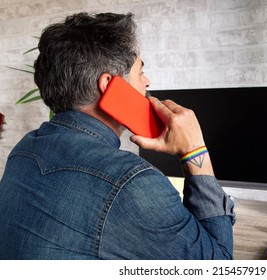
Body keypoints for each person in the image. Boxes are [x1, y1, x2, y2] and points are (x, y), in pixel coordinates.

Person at [0, 12, 235, 260]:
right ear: (109, 84)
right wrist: (194, 149)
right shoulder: (130, 181)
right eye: (140, 72)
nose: (147, 82)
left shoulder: (24, 149)